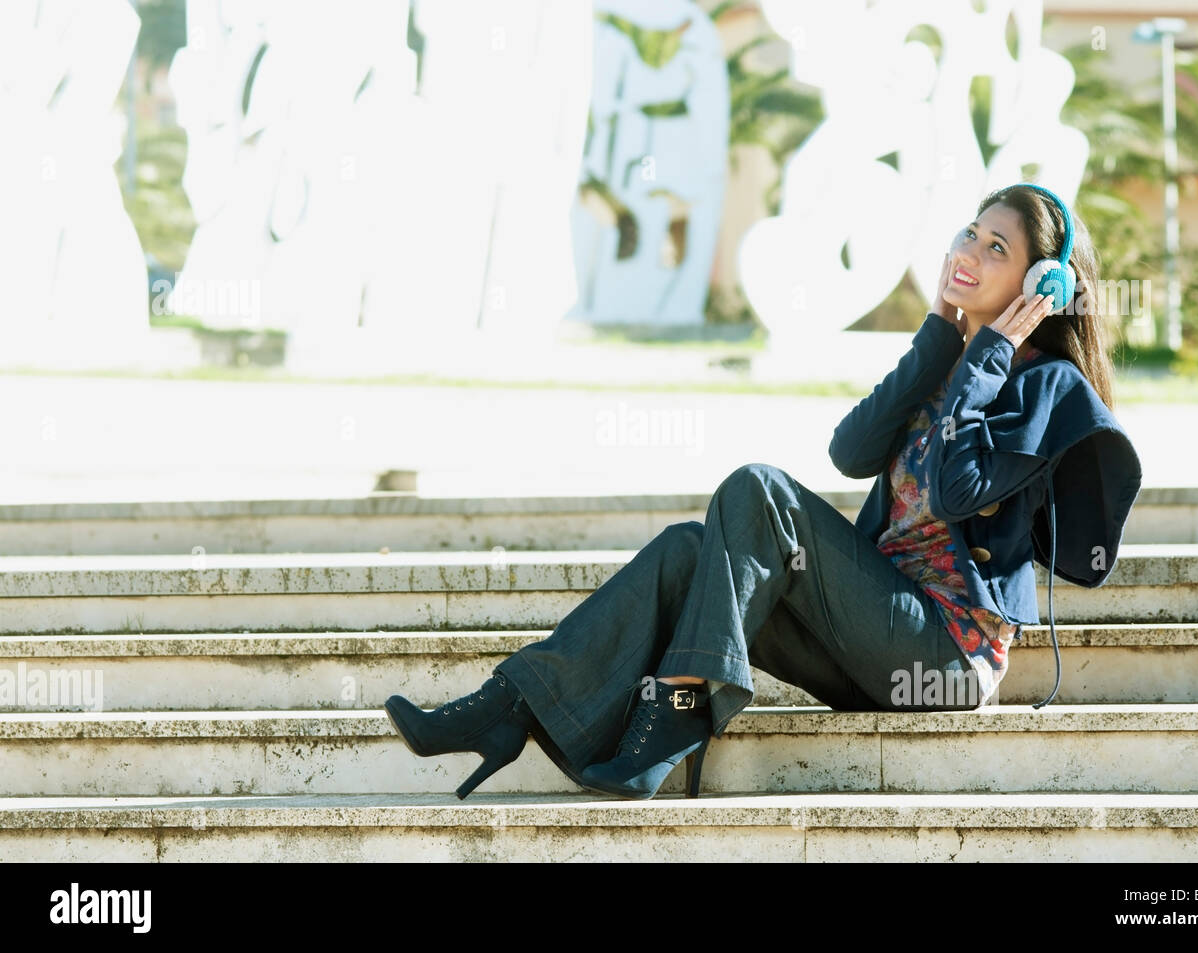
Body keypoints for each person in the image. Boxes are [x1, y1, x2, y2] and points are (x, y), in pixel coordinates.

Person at [383, 182, 1143, 801]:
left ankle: (677, 707)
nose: (968, 251)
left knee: (762, 490)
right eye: (970, 232)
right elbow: (850, 451)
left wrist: (987, 356)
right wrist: (939, 341)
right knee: (690, 548)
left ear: (1040, 286)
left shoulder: (1047, 386)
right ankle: (509, 706)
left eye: (997, 247)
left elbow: (953, 491)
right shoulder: (947, 361)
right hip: (870, 639)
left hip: (943, 662)